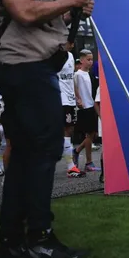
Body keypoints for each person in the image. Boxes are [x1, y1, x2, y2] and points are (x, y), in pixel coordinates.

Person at [0, 0, 92, 258]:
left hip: (23, 68)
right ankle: (39, 237)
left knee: (28, 156)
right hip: (24, 68)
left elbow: (36, 17)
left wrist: (70, 8)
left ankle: (12, 243)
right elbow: (25, 13)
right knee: (43, 153)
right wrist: (71, 1)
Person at [58, 44, 85, 178]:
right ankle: (70, 166)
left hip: (70, 100)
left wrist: (77, 96)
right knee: (64, 130)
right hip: (59, 99)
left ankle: (70, 164)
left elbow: (71, 79)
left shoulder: (71, 56)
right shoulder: (54, 56)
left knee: (69, 130)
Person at [73, 50, 101, 172]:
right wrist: (78, 100)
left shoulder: (90, 74)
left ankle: (77, 150)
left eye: (91, 60)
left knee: (93, 134)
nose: (90, 62)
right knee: (89, 135)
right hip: (84, 107)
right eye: (88, 59)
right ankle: (89, 162)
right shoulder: (78, 74)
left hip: (92, 106)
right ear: (82, 60)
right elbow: (74, 88)